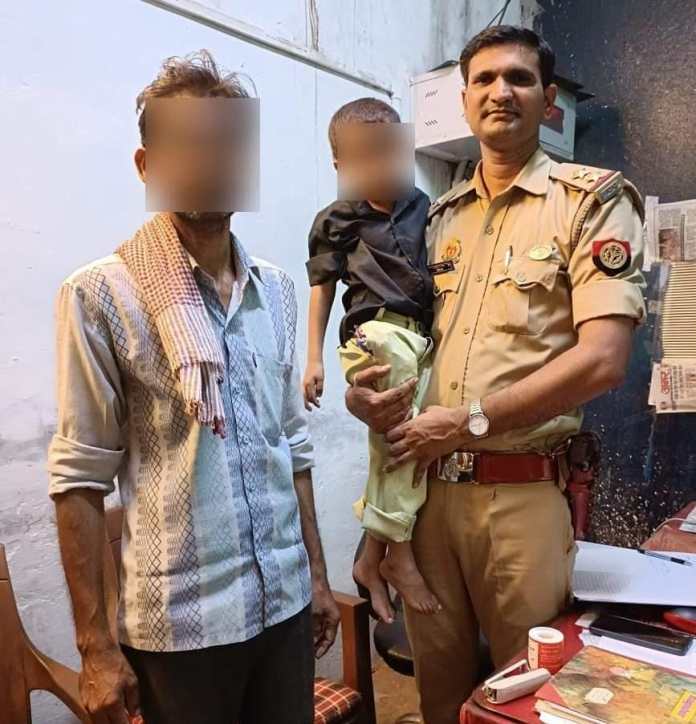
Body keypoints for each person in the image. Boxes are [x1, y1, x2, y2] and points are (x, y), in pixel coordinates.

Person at [345, 26, 646, 723]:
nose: (499, 91)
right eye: (483, 79)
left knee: (527, 697)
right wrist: (369, 404)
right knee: (440, 694)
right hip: (426, 498)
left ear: (548, 101)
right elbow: (409, 351)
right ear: (464, 100)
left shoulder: (591, 201)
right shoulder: (437, 218)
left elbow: (604, 359)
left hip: (520, 496)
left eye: (518, 78)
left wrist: (469, 421)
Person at [48, 50, 339, 724]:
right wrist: (94, 648)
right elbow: (78, 479)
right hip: (181, 630)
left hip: (285, 604)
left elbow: (290, 448)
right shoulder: (100, 295)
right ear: (147, 165)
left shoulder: (277, 292)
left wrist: (318, 578)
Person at [303, 98, 440, 621]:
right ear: (341, 165)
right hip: (372, 335)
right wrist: (313, 361)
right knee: (400, 426)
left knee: (416, 434)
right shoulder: (335, 220)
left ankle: (371, 555)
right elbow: (321, 290)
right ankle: (397, 553)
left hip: (419, 337)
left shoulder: (425, 207)